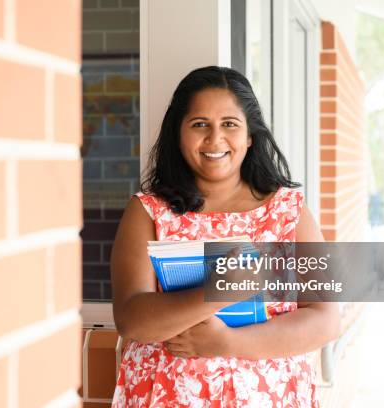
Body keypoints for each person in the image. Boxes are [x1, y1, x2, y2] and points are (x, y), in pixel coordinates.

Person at [110, 66, 340, 407]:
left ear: (250, 136)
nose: (214, 139)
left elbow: (326, 320)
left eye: (229, 124)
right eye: (199, 124)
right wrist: (217, 291)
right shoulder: (148, 211)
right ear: (178, 134)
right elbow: (131, 319)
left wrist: (226, 342)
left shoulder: (288, 212)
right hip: (163, 397)